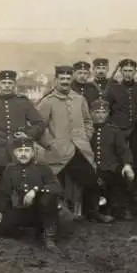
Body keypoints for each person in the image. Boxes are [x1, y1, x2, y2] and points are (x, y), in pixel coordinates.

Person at [36, 66, 104, 222]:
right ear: (56, 80)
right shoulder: (48, 102)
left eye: (68, 79)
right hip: (57, 153)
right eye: (62, 79)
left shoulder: (79, 99)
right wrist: (50, 144)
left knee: (91, 180)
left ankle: (92, 212)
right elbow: (39, 126)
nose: (65, 82)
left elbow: (88, 121)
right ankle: (57, 215)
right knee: (54, 185)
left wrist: (85, 136)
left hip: (80, 149)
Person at [0, 136, 65, 257]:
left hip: (43, 210)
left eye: (27, 151)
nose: (23, 154)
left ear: (32, 152)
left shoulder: (42, 167)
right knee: (3, 225)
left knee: (48, 197)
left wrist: (35, 191)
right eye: (20, 151)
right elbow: (4, 193)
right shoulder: (10, 169)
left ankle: (49, 237)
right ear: (14, 153)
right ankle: (31, 231)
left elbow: (57, 188)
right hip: (23, 209)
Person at [0, 69, 45, 188]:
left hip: (20, 149)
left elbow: (39, 124)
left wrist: (27, 134)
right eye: (3, 83)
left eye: (10, 83)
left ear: (14, 85)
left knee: (20, 183)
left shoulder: (24, 102)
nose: (7, 86)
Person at [89, 98, 136, 221]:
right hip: (91, 168)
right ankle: (97, 212)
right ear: (91, 113)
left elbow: (123, 149)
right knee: (94, 184)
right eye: (97, 112)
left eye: (103, 112)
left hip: (111, 167)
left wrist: (127, 165)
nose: (100, 115)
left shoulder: (114, 131)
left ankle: (121, 208)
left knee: (122, 179)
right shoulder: (87, 130)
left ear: (108, 113)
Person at [105, 58, 137, 183]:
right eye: (125, 71)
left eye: (130, 71)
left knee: (136, 159)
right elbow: (107, 108)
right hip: (119, 129)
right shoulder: (113, 88)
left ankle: (134, 186)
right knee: (118, 158)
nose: (128, 73)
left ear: (135, 72)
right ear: (121, 72)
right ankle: (119, 185)